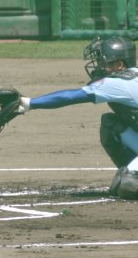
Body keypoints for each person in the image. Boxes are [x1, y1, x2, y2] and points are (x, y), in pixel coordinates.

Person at [14, 36, 138, 199]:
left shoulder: (117, 84)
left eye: (105, 62)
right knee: (111, 124)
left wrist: (29, 103)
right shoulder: (132, 76)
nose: (100, 66)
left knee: (127, 185)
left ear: (119, 65)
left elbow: (70, 96)